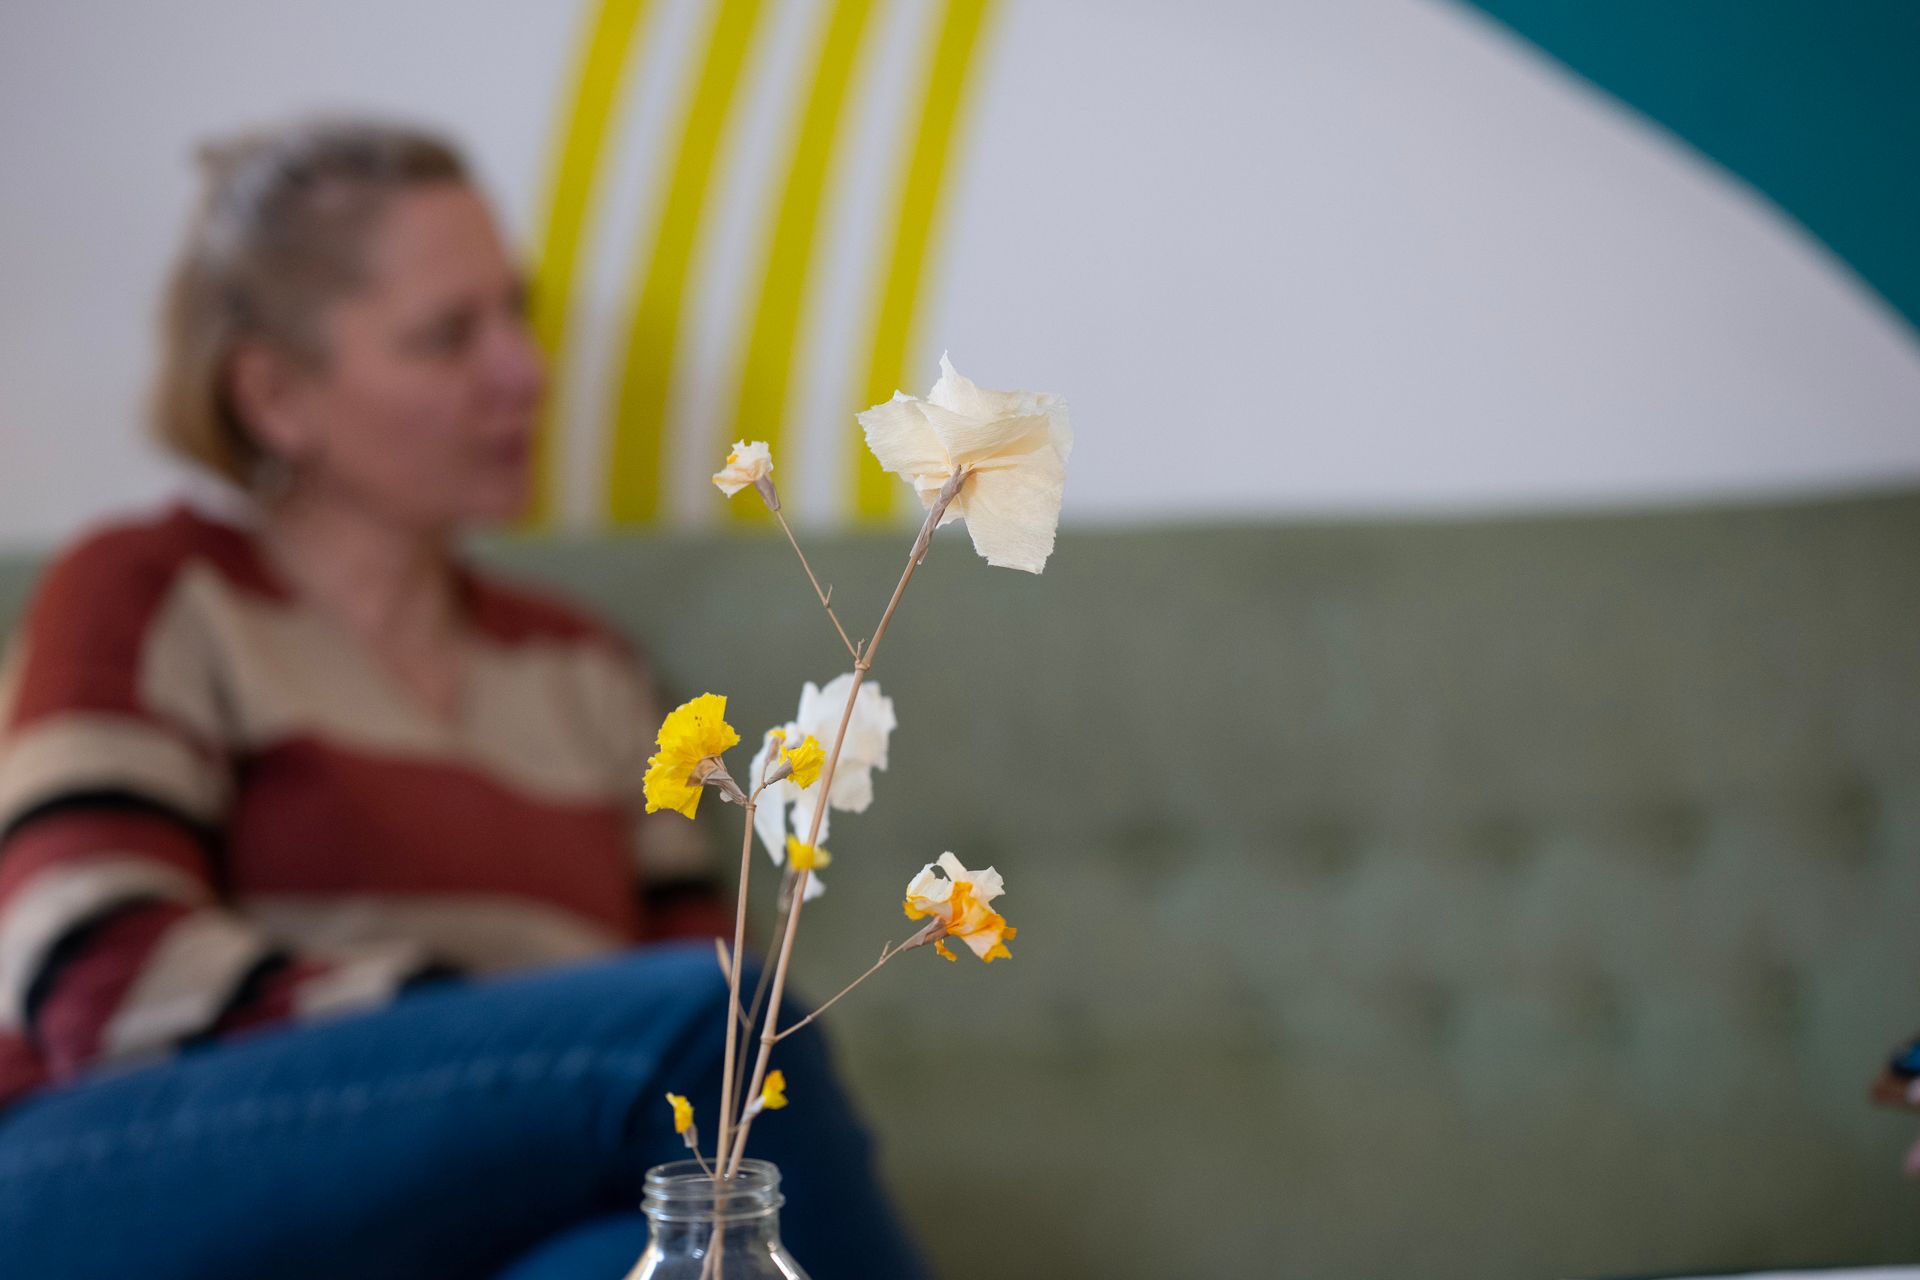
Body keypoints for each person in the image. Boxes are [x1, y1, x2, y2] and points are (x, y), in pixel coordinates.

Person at [0, 118, 928, 1279]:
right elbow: (96, 977)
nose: (526, 371)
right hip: (115, 1182)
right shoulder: (152, 590)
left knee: (670, 1255)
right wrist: (516, 1049)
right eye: (448, 337)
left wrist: (544, 1069)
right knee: (705, 1020)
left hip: (470, 1214)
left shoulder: (584, 667)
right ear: (275, 394)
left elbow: (712, 1094)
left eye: (516, 314)